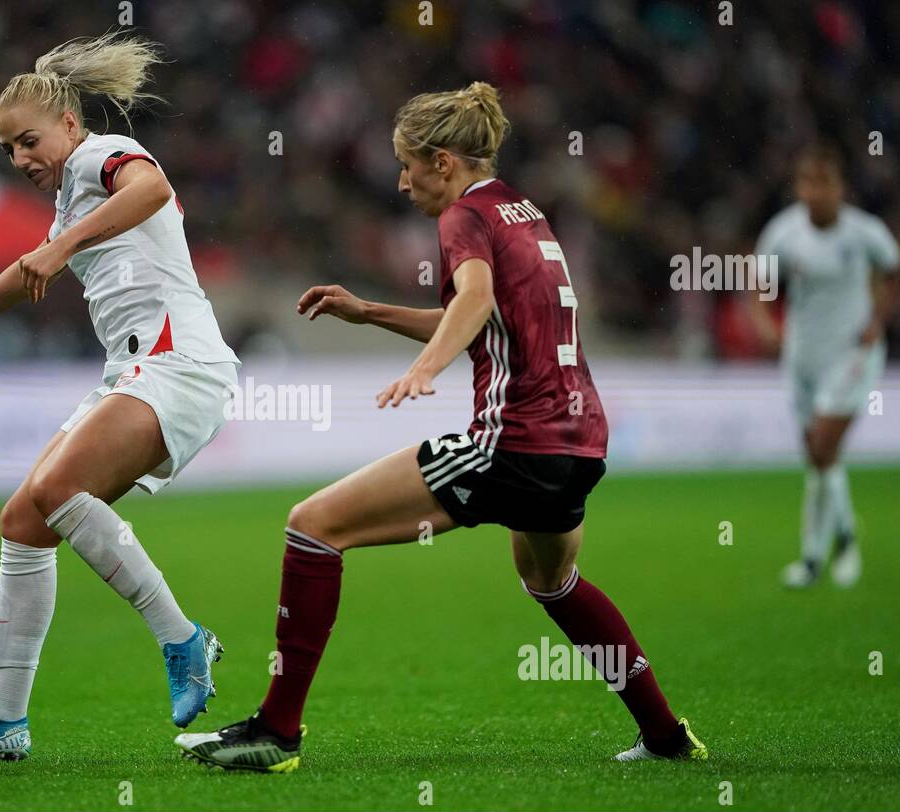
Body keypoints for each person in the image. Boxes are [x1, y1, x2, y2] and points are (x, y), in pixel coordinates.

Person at [176, 82, 706, 771]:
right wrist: (370, 312)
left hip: (511, 442)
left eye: (408, 165)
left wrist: (427, 368)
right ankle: (665, 736)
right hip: (578, 443)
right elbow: (489, 311)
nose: (401, 182)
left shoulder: (463, 217)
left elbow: (476, 298)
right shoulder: (522, 211)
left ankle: (276, 732)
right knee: (553, 581)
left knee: (313, 525)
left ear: (445, 163)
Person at [0, 33, 240, 760]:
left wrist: (60, 249)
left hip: (178, 362)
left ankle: (183, 640)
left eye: (28, 141)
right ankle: (4, 719)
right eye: (7, 149)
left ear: (68, 125)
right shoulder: (67, 203)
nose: (22, 158)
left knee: (56, 487)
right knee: (23, 519)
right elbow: (28, 267)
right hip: (130, 371)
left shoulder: (99, 156)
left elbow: (153, 187)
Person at [752, 143, 900, 589]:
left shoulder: (864, 233)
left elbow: (895, 271)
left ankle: (845, 540)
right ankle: (814, 559)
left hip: (851, 354)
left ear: (840, 188)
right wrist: (765, 324)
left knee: (821, 445)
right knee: (816, 455)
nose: (816, 192)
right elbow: (759, 285)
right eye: (808, 183)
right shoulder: (782, 233)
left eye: (825, 183)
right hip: (802, 356)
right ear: (799, 187)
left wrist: (877, 321)